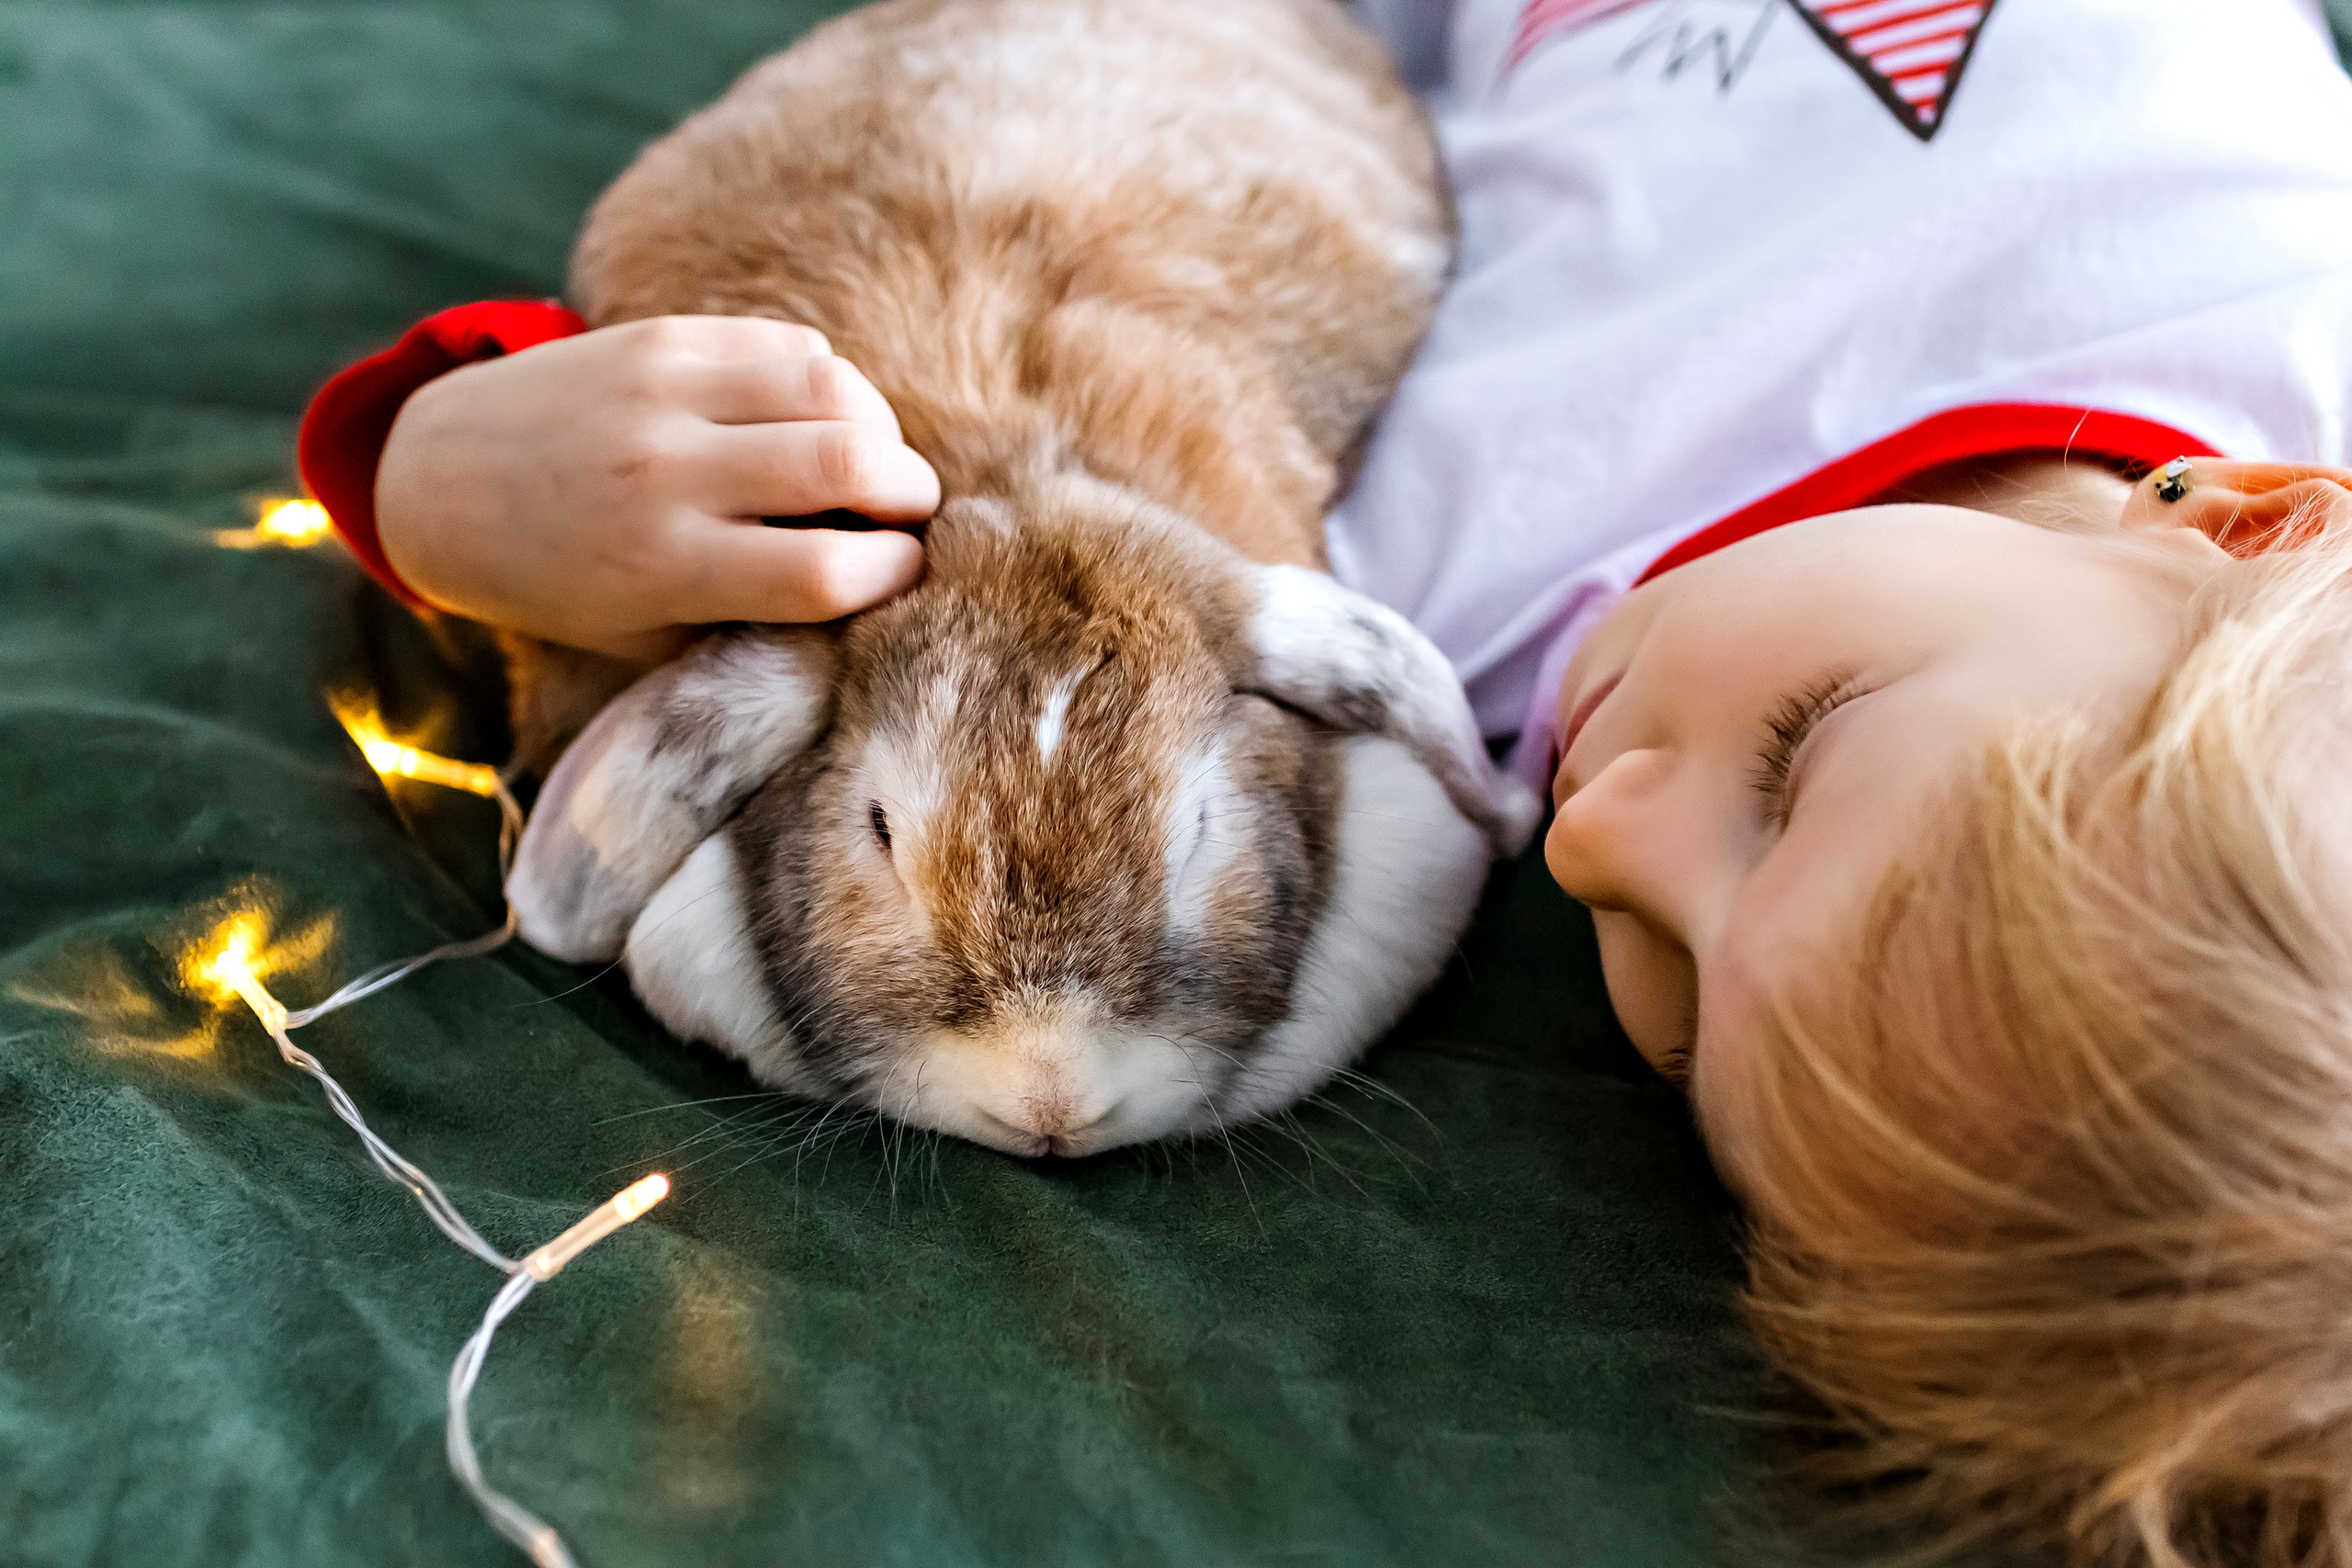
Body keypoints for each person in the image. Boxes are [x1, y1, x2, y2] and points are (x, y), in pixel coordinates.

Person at [298, 0, 2352, 1561]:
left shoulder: (1460, 587)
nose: (1600, 828)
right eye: (1802, 761)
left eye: (1684, 1014)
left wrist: (448, 472)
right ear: (2243, 514)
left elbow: (948, 476)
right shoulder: (2273, 278)